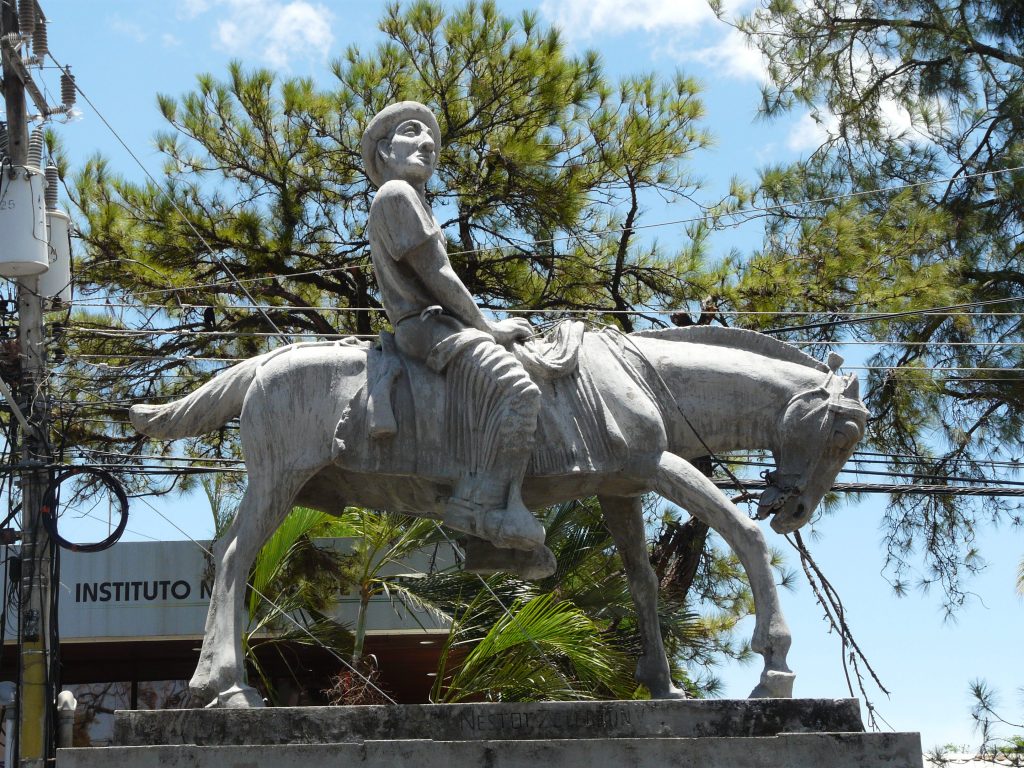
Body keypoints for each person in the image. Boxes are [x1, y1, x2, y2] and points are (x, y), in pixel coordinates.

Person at [361, 101, 544, 551]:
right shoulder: (396, 195)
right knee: (518, 390)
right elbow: (438, 274)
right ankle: (479, 507)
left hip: (438, 325)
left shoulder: (413, 200)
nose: (427, 143)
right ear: (384, 151)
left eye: (433, 139)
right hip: (426, 329)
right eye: (412, 132)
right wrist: (488, 328)